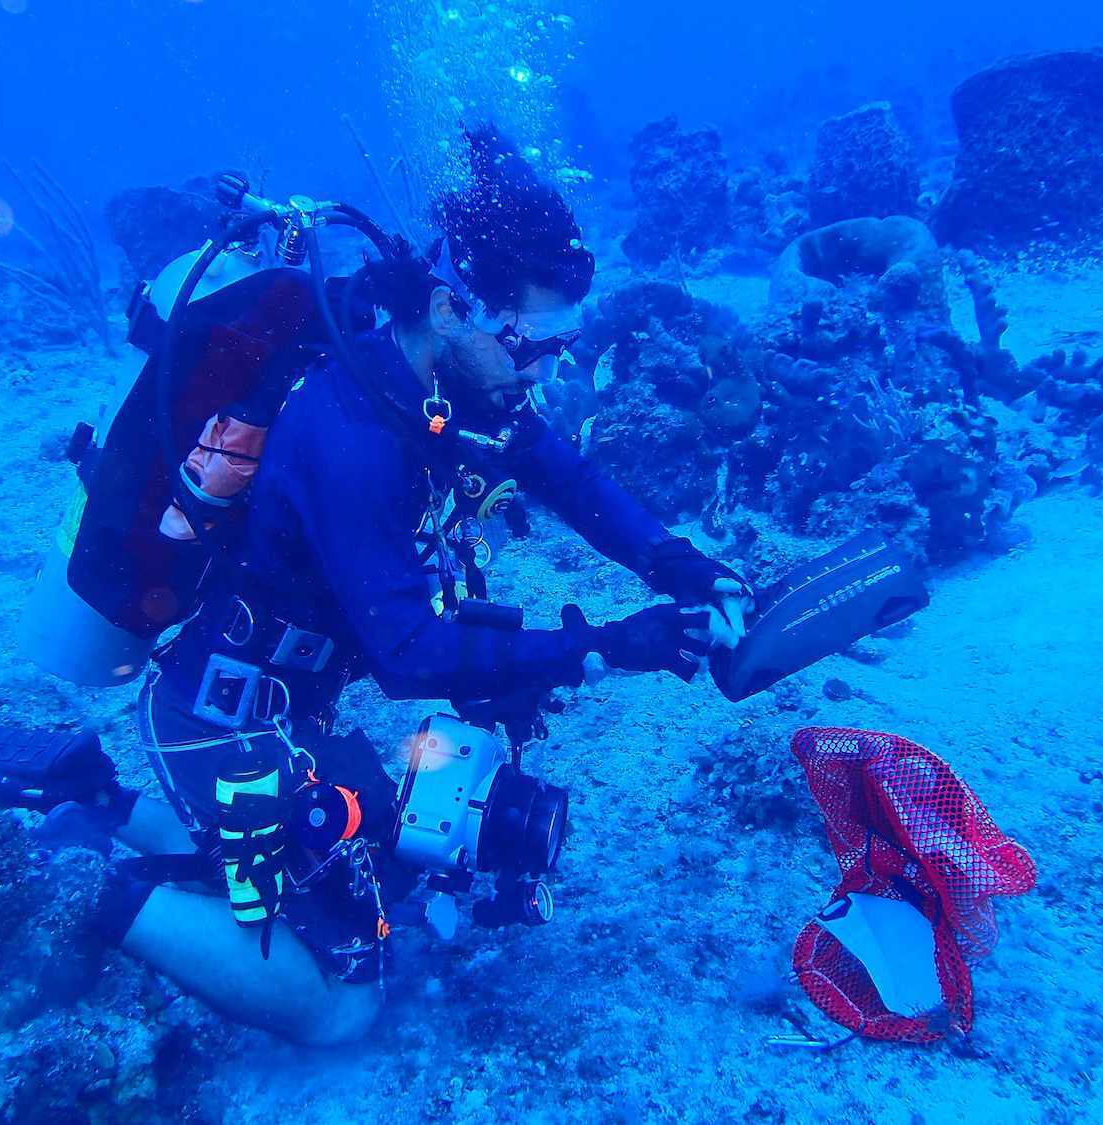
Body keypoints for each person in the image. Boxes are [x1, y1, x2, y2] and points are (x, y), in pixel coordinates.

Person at [77, 128, 752, 1045]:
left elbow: (571, 479)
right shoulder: (347, 432)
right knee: (345, 1002)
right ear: (449, 306)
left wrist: (679, 562)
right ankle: (86, 880)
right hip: (221, 719)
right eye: (528, 343)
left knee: (392, 869)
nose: (539, 369)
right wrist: (602, 647)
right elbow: (408, 653)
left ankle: (98, 801)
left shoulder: (458, 391)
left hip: (297, 710)